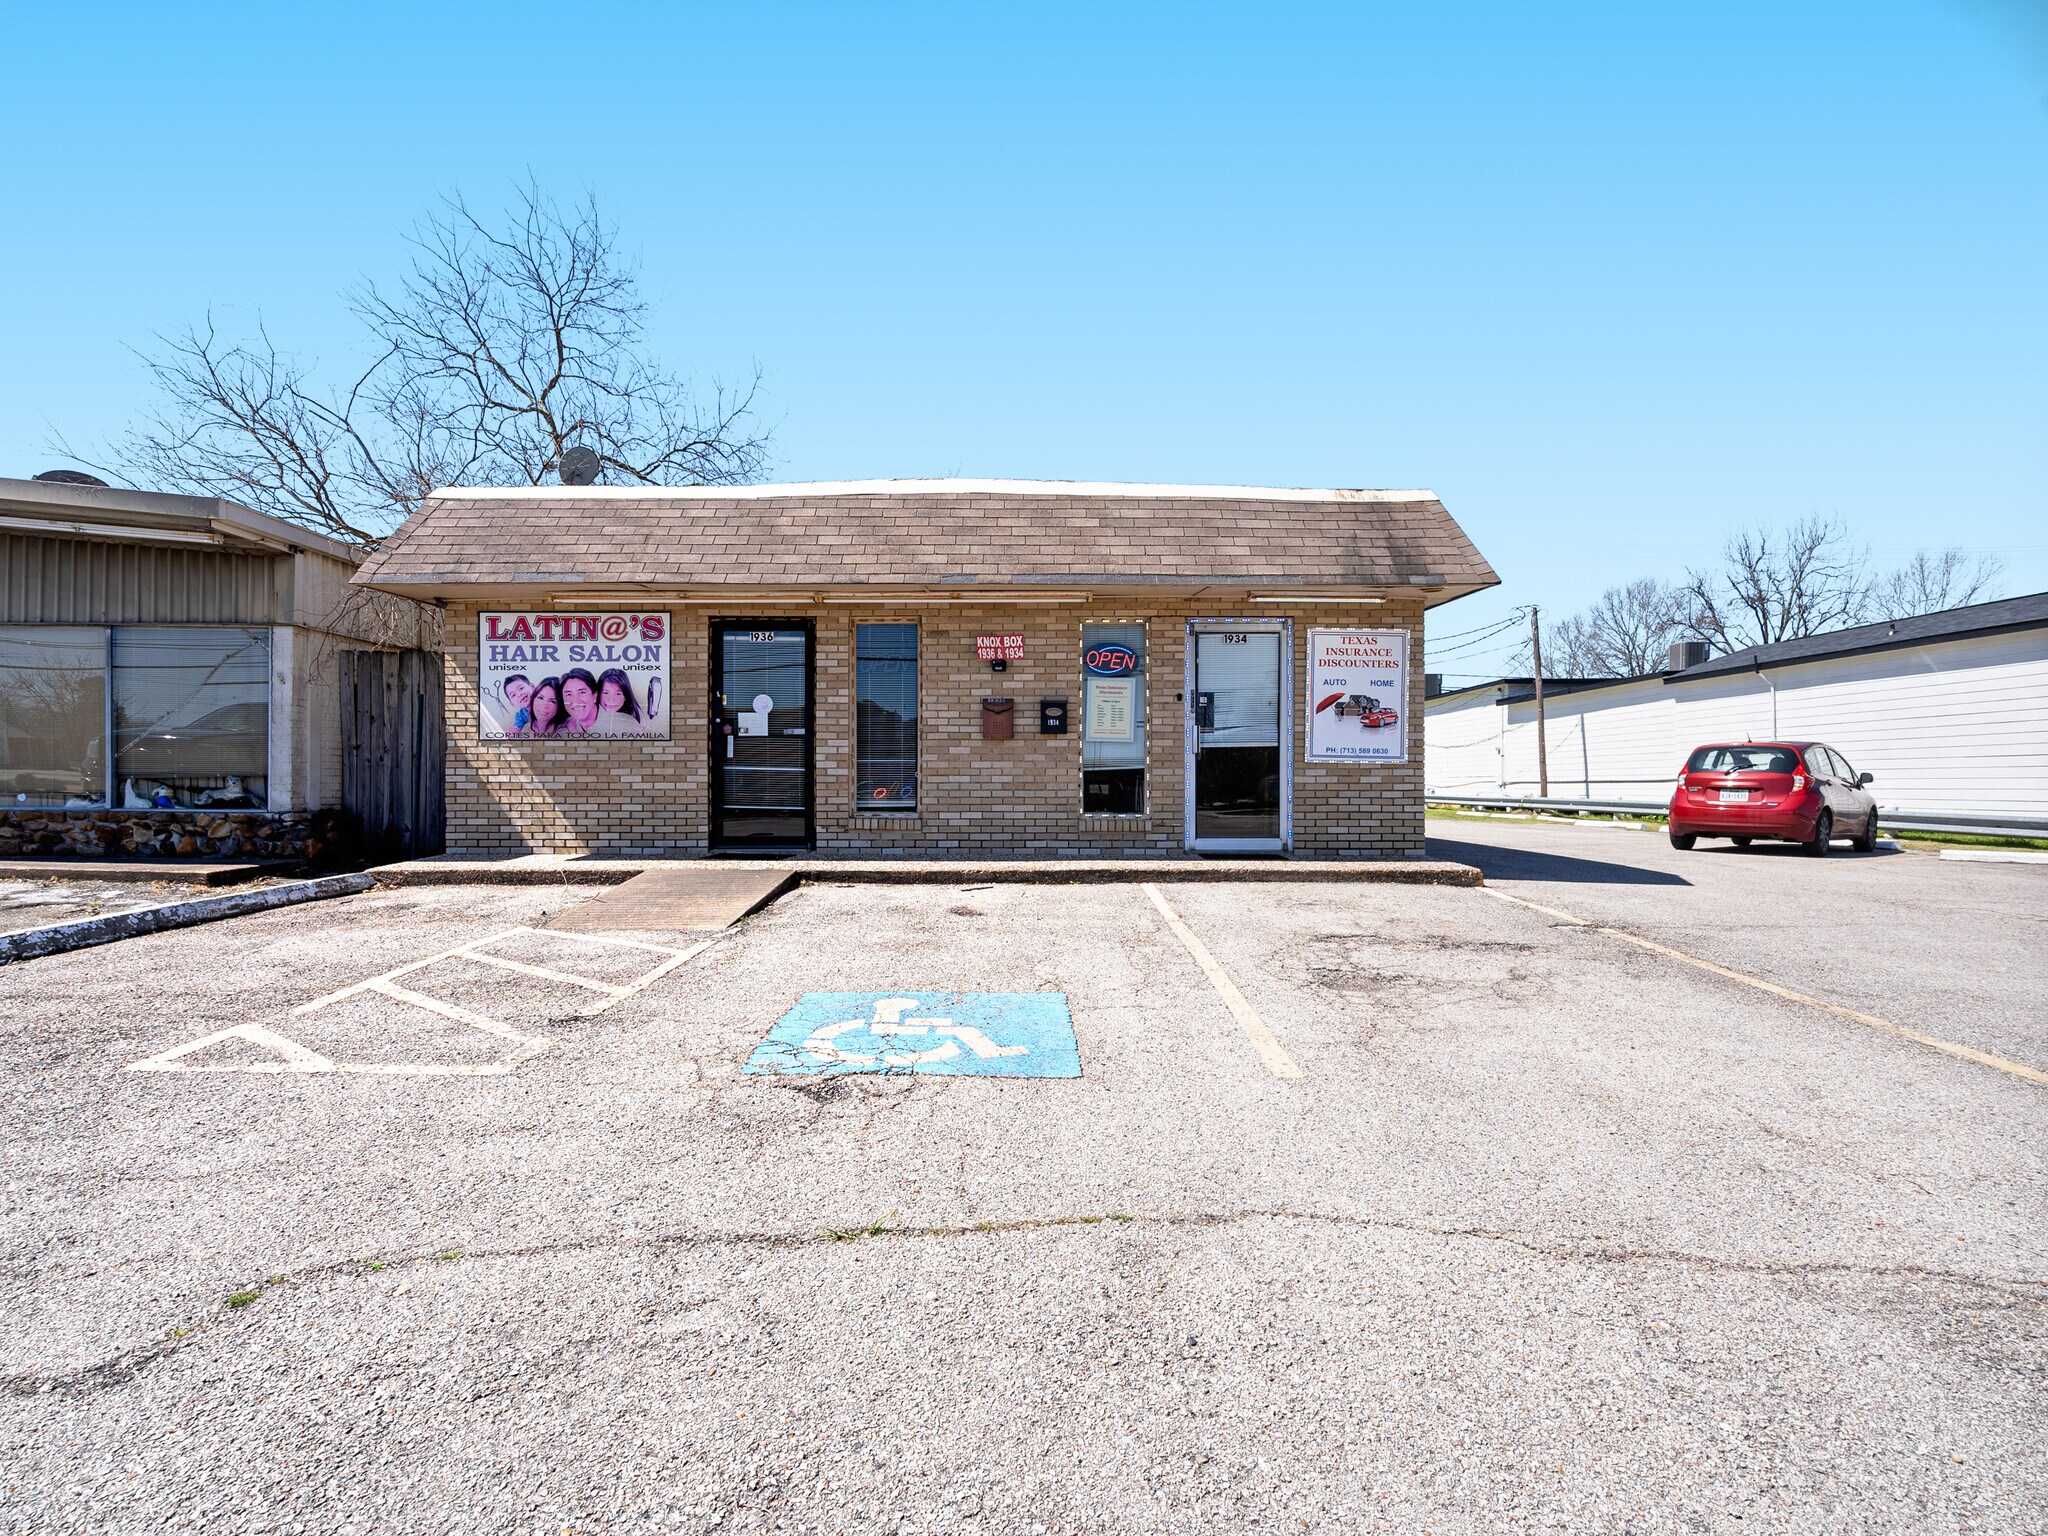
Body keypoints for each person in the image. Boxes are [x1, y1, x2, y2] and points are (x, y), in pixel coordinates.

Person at [591, 668, 646, 736]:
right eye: (605, 693)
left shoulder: (635, 718)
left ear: (626, 696)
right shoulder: (589, 712)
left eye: (618, 694)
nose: (611, 699)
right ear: (598, 694)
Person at [558, 668, 602, 735]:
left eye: (582, 693)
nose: (576, 701)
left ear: (594, 696)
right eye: (569, 694)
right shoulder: (562, 731)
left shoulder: (619, 725)